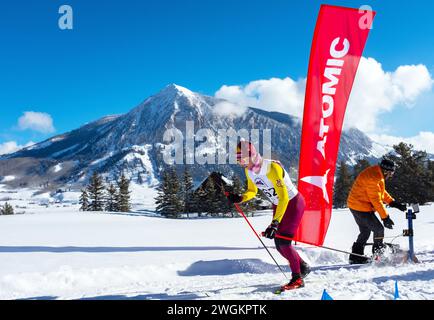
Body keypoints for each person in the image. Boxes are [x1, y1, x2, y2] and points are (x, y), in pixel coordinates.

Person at [226, 141, 310, 291]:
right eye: (237, 159)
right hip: (278, 205)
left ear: (251, 155)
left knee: (284, 242)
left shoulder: (272, 168)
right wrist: (240, 198)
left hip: (293, 203)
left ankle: (297, 278)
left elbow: (284, 197)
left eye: (241, 158)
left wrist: (275, 223)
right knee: (279, 245)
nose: (239, 162)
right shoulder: (249, 170)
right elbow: (252, 191)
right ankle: (302, 266)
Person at [347, 158, 407, 264]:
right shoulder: (373, 178)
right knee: (378, 229)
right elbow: (376, 200)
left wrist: (393, 203)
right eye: (391, 173)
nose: (391, 175)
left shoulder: (377, 173)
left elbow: (381, 192)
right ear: (385, 170)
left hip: (357, 205)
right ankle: (378, 255)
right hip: (360, 207)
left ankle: (356, 256)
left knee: (365, 231)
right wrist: (385, 217)